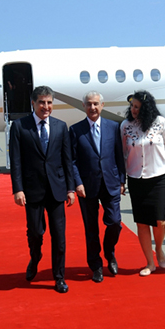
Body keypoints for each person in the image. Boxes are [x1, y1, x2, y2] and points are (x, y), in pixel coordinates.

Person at [9, 85, 75, 293]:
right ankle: (35, 256)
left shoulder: (60, 126)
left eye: (49, 102)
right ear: (33, 103)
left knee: (59, 236)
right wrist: (18, 189)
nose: (46, 107)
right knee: (36, 232)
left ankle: (59, 277)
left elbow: (67, 160)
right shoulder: (19, 126)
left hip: (57, 189)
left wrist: (71, 188)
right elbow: (16, 160)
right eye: (41, 103)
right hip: (32, 190)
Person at [121, 90, 165, 276]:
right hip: (136, 179)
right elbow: (122, 154)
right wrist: (121, 180)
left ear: (146, 109)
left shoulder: (161, 123)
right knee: (141, 223)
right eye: (132, 106)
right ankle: (149, 262)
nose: (133, 110)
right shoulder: (125, 126)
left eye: (138, 107)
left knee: (159, 220)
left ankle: (159, 249)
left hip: (159, 177)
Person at [70, 91, 126, 283]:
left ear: (102, 105)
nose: (92, 107)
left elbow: (119, 155)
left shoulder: (113, 127)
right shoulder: (75, 130)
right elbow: (72, 161)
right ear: (84, 106)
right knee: (91, 228)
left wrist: (122, 180)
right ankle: (96, 266)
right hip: (87, 187)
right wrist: (77, 183)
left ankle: (109, 253)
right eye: (89, 104)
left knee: (115, 223)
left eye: (95, 104)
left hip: (111, 183)